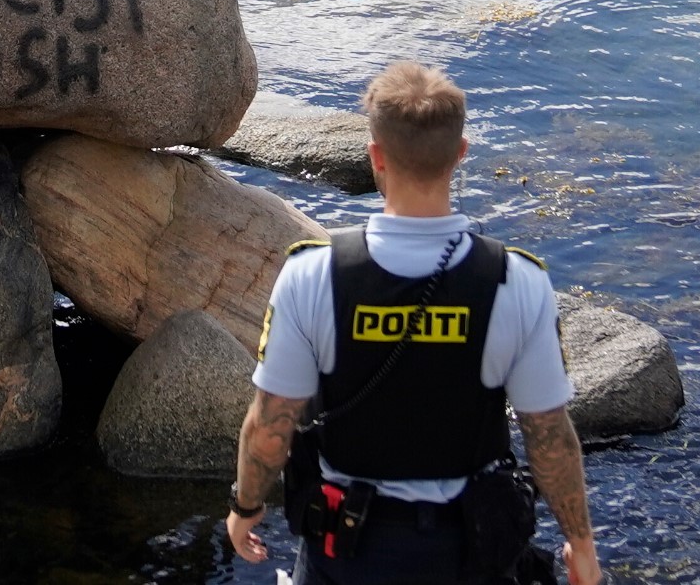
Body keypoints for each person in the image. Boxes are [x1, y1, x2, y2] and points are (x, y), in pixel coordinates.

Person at [225, 61, 602, 585]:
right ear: (460, 154)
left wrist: (243, 507)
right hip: (469, 553)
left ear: (375, 157)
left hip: (346, 552)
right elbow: (549, 438)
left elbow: (270, 426)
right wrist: (580, 544)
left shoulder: (312, 275)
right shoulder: (515, 281)